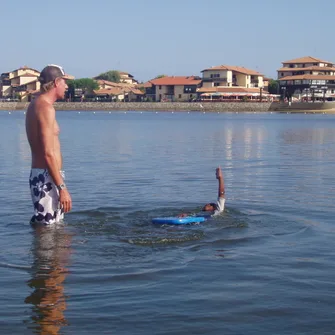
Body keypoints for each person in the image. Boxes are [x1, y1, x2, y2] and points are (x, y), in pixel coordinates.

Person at [25, 64, 72, 224]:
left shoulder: (37, 104)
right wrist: (62, 188)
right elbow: (48, 152)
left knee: (51, 233)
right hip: (47, 178)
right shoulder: (45, 108)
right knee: (48, 234)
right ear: (56, 82)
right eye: (65, 82)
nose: (67, 86)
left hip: (46, 176)